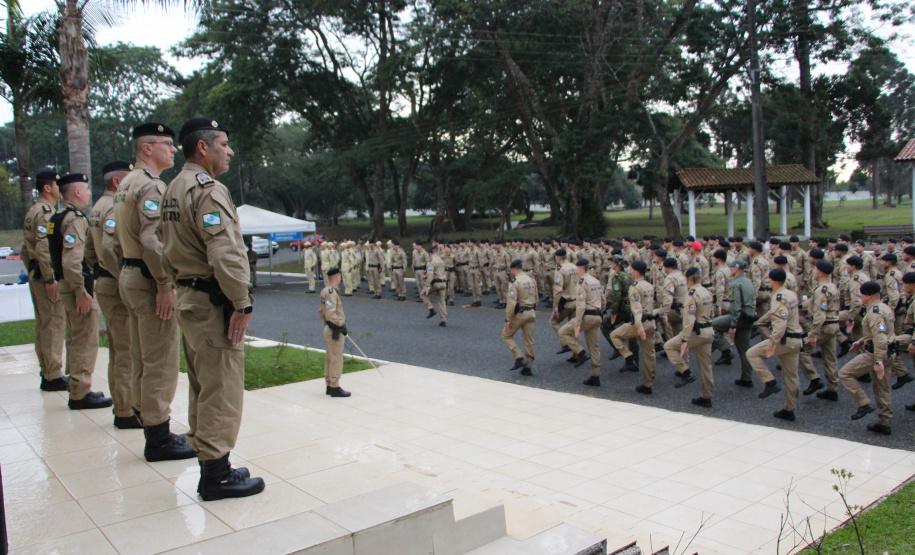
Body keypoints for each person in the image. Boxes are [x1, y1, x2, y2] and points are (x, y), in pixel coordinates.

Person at [159, 116, 265, 500]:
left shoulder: (173, 188)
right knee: (220, 387)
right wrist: (241, 301)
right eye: (223, 143)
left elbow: (161, 245)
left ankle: (212, 462)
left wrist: (178, 281)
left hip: (191, 297)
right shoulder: (207, 189)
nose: (229, 150)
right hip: (212, 303)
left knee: (202, 385)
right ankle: (216, 476)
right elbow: (225, 253)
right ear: (203, 147)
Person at [115, 122, 193, 462]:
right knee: (160, 361)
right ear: (147, 148)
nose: (174, 149)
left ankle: (150, 423)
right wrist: (164, 284)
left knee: (140, 359)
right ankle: (159, 437)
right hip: (149, 281)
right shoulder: (150, 185)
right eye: (166, 144)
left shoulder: (127, 182)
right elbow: (151, 239)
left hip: (131, 273)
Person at [47, 173, 112, 410]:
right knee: (84, 340)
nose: (87, 194)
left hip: (65, 283)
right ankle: (81, 391)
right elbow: (73, 260)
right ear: (76, 192)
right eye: (85, 189)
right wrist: (81, 292)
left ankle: (76, 386)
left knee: (74, 338)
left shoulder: (56, 217)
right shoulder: (74, 219)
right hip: (76, 286)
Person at [84, 160, 139, 428]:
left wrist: (101, 271)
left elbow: (89, 252)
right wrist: (122, 277)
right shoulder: (112, 206)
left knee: (119, 349)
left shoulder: (96, 207)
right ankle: (127, 410)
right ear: (118, 182)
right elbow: (107, 249)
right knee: (126, 349)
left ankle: (122, 405)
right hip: (116, 284)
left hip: (105, 281)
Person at [21, 170, 67, 392]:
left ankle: (47, 370)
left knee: (44, 324)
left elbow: (24, 250)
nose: (61, 190)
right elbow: (42, 247)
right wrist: (49, 278)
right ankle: (53, 374)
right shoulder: (45, 213)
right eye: (58, 185)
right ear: (47, 188)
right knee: (53, 324)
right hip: (44, 276)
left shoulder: (33, 211)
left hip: (36, 274)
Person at [746, 268, 805, 422]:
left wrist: (772, 342)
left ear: (772, 280)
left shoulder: (778, 297)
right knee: (792, 376)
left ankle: (770, 382)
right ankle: (789, 409)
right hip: (796, 339)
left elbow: (780, 324)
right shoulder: (791, 294)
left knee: (752, 353)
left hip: (784, 339)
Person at [837, 281, 895, 435]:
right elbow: (884, 333)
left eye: (861, 294)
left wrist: (878, 361)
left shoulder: (874, 312)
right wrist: (861, 341)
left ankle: (863, 403)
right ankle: (885, 422)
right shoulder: (884, 307)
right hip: (889, 352)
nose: (859, 296)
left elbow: (880, 338)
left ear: (868, 296)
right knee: (882, 388)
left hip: (876, 353)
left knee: (845, 373)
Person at [664, 267, 714, 404]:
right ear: (700, 278)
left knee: (669, 346)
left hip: (696, 332)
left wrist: (685, 338)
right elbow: (712, 312)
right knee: (706, 366)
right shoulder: (707, 292)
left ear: (687, 279)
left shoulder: (691, 294)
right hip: (708, 330)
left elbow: (689, 318)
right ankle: (706, 396)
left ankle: (685, 371)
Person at [610, 260, 657, 386]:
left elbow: (637, 309)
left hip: (640, 323)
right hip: (651, 321)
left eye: (631, 269)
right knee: (649, 354)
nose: (630, 271)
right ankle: (648, 383)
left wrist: (639, 327)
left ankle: (629, 357)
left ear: (636, 272)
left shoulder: (635, 287)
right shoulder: (649, 285)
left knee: (615, 335)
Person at [558, 259, 605, 385]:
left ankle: (580, 352)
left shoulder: (582, 282)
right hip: (597, 315)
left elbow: (581, 305)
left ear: (580, 269)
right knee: (594, 347)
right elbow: (603, 299)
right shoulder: (595, 281)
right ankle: (596, 376)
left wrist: (577, 323)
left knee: (562, 332)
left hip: (587, 316)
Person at [799, 260, 840, 402]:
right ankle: (832, 388)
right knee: (830, 358)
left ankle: (814, 379)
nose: (814, 272)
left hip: (824, 326)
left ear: (821, 272)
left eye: (815, 270)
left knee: (801, 348)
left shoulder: (822, 290)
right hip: (833, 325)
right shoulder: (832, 286)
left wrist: (813, 334)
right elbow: (810, 303)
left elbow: (820, 314)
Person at [711, 259, 756, 387]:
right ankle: (747, 378)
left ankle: (725, 351)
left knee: (711, 326)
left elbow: (736, 306)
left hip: (739, 317)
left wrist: (733, 325)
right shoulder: (748, 281)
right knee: (745, 349)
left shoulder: (735, 284)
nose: (730, 269)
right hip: (749, 317)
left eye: (731, 268)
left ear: (736, 269)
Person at [319, 267, 352, 397]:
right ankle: (334, 386)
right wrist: (341, 324)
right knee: (336, 358)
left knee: (330, 357)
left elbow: (322, 311)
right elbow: (331, 313)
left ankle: (329, 383)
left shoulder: (325, 291)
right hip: (334, 330)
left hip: (328, 327)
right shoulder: (331, 293)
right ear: (337, 277)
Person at [503, 259, 537, 376]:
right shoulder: (531, 280)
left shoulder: (515, 282)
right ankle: (528, 366)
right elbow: (536, 297)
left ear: (513, 269)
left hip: (520, 314)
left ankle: (518, 358)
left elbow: (511, 303)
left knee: (506, 335)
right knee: (529, 340)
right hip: (531, 311)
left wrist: (508, 319)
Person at [551, 248, 578, 354]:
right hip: (576, 300)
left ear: (558, 258)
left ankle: (565, 343)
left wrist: (556, 305)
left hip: (566, 302)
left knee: (554, 321)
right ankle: (577, 353)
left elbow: (558, 290)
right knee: (573, 326)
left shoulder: (560, 270)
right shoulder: (574, 267)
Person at [421, 246, 448, 326]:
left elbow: (430, 273)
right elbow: (440, 272)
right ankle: (443, 320)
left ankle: (431, 309)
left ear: (431, 253)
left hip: (435, 283)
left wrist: (428, 285)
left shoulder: (431, 261)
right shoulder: (441, 261)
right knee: (442, 301)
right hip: (443, 282)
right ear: (438, 253)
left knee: (423, 294)